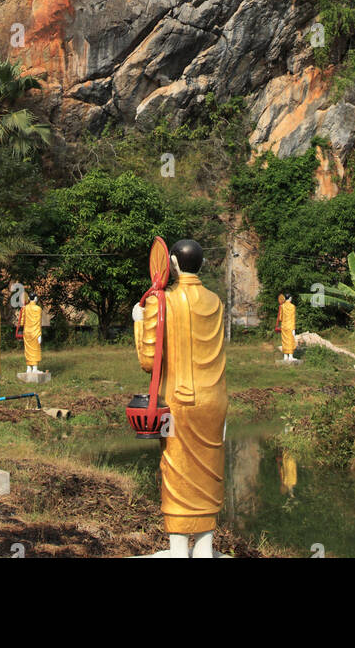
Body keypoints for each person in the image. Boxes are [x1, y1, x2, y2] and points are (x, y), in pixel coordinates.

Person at [133, 239, 228, 559]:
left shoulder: (162, 302)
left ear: (172, 263)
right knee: (208, 472)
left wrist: (138, 321)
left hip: (177, 402)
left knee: (176, 472)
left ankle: (177, 549)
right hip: (213, 400)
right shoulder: (216, 302)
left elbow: (149, 359)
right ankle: (204, 548)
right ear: (201, 265)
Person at [21, 289, 44, 379]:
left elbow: (22, 322)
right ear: (34, 298)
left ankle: (28, 368)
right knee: (35, 350)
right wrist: (39, 334)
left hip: (26, 332)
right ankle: (34, 368)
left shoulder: (24, 308)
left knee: (27, 350)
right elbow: (38, 322)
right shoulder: (38, 309)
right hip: (35, 331)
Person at [280, 292, 299, 362]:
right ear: (290, 298)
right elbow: (293, 318)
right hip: (290, 326)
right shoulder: (292, 306)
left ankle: (285, 356)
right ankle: (290, 356)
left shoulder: (282, 306)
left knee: (284, 341)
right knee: (291, 340)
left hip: (284, 326)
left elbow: (280, 318)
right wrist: (294, 328)